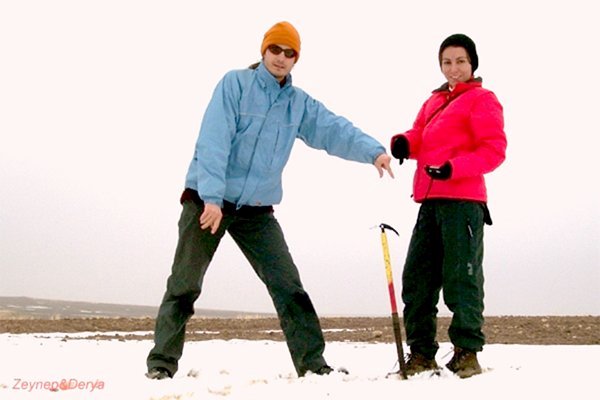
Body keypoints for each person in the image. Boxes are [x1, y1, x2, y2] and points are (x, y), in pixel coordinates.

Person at [146, 21, 394, 380]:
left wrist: (373, 152)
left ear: (296, 59)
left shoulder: (297, 104)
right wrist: (212, 198)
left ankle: (313, 366)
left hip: (256, 211)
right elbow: (213, 140)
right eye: (275, 49)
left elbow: (332, 129)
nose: (281, 57)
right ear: (263, 51)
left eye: (289, 52)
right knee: (184, 284)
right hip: (207, 201)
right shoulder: (235, 84)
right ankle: (161, 365)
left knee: (288, 285)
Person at [390, 33, 507, 378]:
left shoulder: (483, 100)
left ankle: (467, 353)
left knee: (461, 277)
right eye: (446, 62)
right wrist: (402, 144)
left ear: (473, 64)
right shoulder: (434, 101)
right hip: (429, 199)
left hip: (463, 200)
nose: (453, 68)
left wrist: (454, 168)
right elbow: (419, 136)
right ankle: (422, 353)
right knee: (417, 279)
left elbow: (493, 149)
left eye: (460, 61)